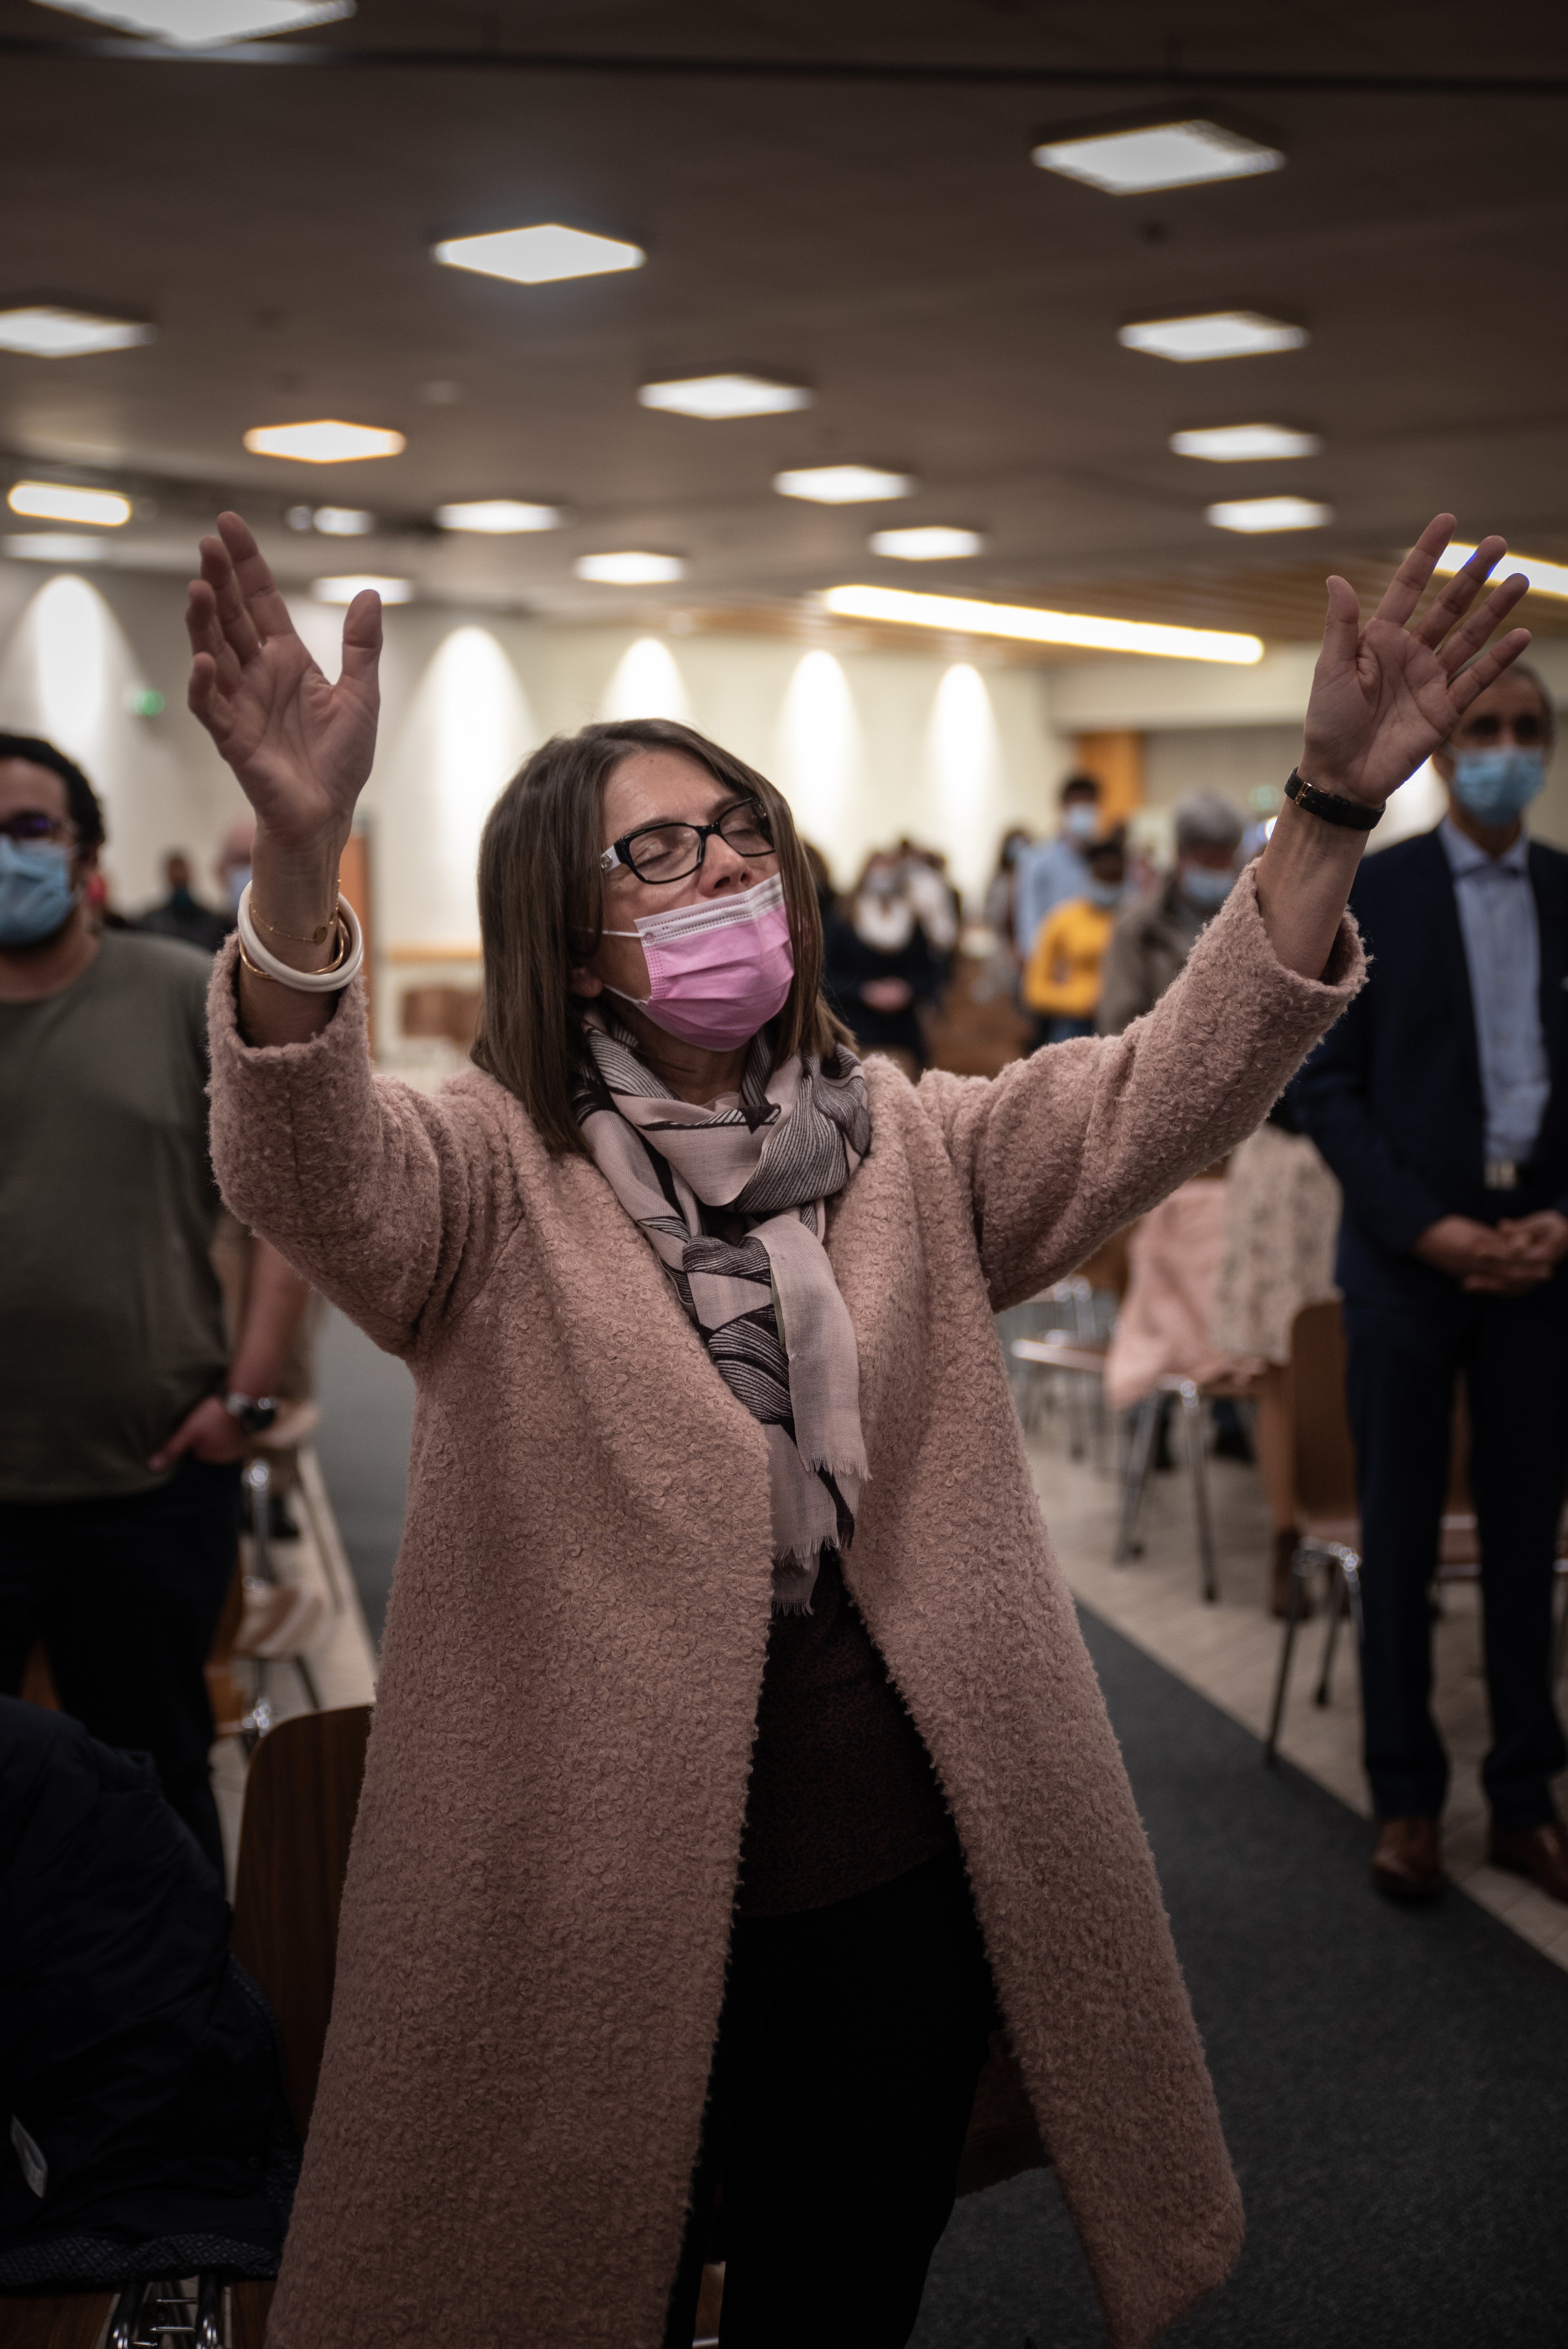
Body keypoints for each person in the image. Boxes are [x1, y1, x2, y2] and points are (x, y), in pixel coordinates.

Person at [185, 507, 1522, 2349]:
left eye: (739, 828)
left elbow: (1163, 1086)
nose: (721, 865)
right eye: (654, 851)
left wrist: (1326, 807)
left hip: (880, 1878)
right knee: (559, 2294)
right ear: (570, 946)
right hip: (585, 1909)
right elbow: (304, 1160)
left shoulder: (904, 1143)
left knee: (840, 2299)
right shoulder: (490, 1175)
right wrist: (301, 852)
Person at [0, 731, 310, 1874]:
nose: (7, 852)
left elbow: (285, 1203)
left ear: (85, 851)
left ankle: (186, 2037)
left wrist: (249, 1393)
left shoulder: (183, 992)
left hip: (148, 1478)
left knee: (153, 1785)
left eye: (28, 828)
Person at [1295, 662, 1568, 1907]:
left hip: (1544, 1261)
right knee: (1399, 1538)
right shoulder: (1377, 895)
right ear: (1448, 751)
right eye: (1486, 730)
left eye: (1528, 730)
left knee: (1526, 1544)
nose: (1506, 748)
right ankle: (1406, 1800)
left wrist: (1553, 1224)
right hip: (1410, 1266)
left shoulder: (1567, 893)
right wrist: (1435, 1231)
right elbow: (1323, 1095)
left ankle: (1523, 1799)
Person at [1209, 1081, 1343, 1613]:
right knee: (1281, 1371)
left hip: (1358, 1158)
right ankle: (1287, 1543)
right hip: (1280, 1158)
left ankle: (1347, 1535)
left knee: (1352, 1367)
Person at [1095, 791, 1245, 1035]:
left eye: (1225, 861)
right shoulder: (1139, 925)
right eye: (1208, 861)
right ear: (1180, 855)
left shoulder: (1252, 922)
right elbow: (1118, 1021)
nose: (1218, 871)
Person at [821, 848, 945, 1075]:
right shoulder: (841, 921)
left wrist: (907, 991)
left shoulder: (914, 922)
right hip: (854, 1027)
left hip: (903, 1030)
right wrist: (864, 992)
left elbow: (931, 976)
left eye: (889, 870)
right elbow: (826, 979)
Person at [1021, 833, 1126, 1047]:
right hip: (1075, 1022)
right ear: (1089, 877)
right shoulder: (1063, 920)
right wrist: (1080, 1001)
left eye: (1115, 879)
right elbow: (1035, 990)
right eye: (1102, 878)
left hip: (1124, 1020)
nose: (1108, 886)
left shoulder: (1135, 922)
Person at [1012, 771, 1101, 958]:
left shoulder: (1102, 861)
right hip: (1052, 965)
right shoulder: (1037, 861)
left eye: (1090, 806)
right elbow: (1029, 922)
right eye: (1078, 805)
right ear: (1063, 809)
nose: (1085, 813)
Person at [140, 848, 232, 954]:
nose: (179, 874)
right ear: (167, 875)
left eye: (182, 868)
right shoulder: (151, 923)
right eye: (174, 869)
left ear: (190, 872)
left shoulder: (216, 923)